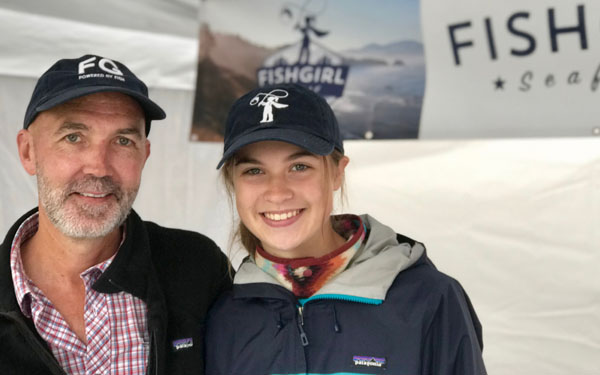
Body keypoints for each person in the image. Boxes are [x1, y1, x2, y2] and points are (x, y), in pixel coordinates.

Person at [205, 83, 487, 374]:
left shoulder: (428, 299)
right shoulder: (223, 314)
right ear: (233, 183)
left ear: (338, 172)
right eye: (254, 171)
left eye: (299, 167)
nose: (277, 193)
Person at [0, 54, 231, 374]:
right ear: (28, 152)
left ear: (144, 155)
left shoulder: (196, 267)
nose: (99, 166)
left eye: (123, 141)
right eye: (73, 137)